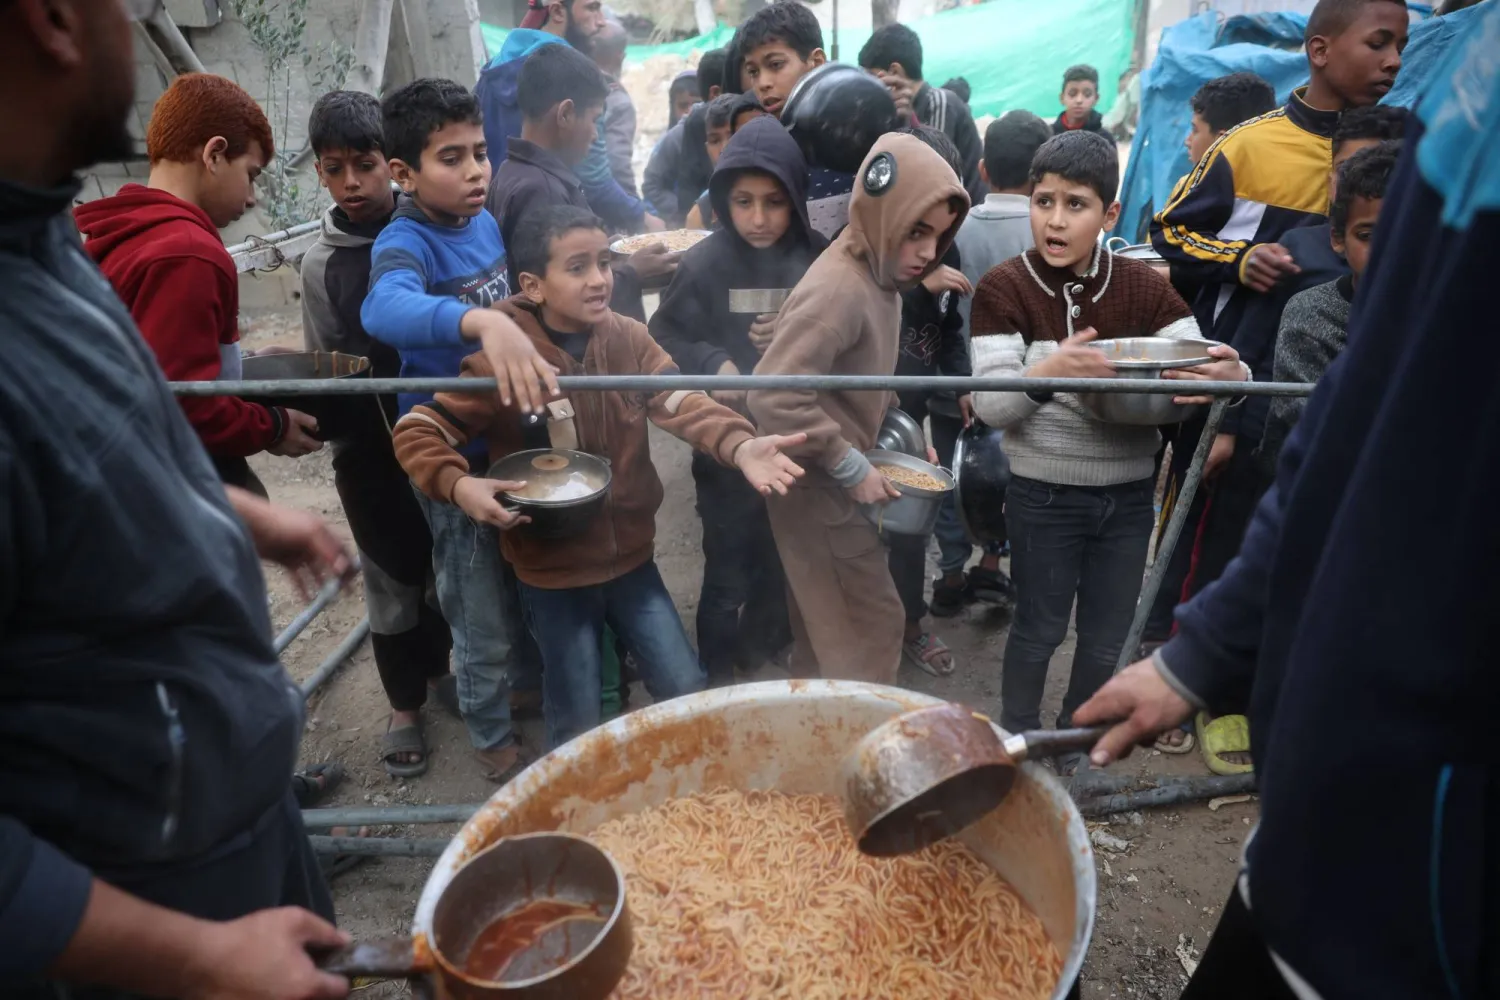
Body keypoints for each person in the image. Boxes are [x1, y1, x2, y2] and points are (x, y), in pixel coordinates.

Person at [1076, 9, 1500, 990]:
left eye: (1402, 40)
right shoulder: (1469, 103)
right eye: (1376, 39)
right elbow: (1358, 413)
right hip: (1317, 831)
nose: (1395, 61)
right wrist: (1201, 652)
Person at [0, 0, 358, 993]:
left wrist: (240, 514)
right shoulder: (165, 249)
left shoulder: (50, 238)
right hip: (157, 899)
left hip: (233, 820)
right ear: (55, 20)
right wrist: (199, 956)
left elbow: (112, 444)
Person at [394, 205, 806, 746]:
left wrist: (741, 443)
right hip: (552, 572)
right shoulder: (503, 360)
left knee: (683, 683)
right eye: (578, 267)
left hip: (632, 559)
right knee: (576, 711)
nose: (599, 280)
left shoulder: (629, 339)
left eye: (606, 263)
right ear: (533, 285)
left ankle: (693, 791)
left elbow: (679, 398)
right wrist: (459, 484)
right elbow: (416, 431)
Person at [968, 132, 1245, 758]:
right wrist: (1049, 371)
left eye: (1076, 204)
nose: (1055, 220)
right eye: (1044, 201)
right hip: (1042, 496)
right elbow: (992, 403)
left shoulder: (1142, 287)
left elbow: (1200, 360)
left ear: (1110, 215)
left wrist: (1236, 377)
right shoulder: (1003, 288)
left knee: (1104, 637)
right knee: (1037, 630)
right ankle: (1017, 737)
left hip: (1126, 499)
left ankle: (1074, 742)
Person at [1140, 102, 1411, 661]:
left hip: (1373, 471)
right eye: (1348, 168)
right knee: (1220, 551)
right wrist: (1229, 427)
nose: (1361, 181)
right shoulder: (1301, 253)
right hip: (1268, 445)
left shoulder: (1426, 278)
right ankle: (1181, 657)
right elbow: (1252, 345)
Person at [361, 78, 560, 783]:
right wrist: (480, 321)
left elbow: (504, 298)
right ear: (404, 174)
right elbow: (384, 309)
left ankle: (518, 691)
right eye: (452, 157)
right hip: (452, 460)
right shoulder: (404, 240)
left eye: (480, 152)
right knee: (475, 610)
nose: (476, 170)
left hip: (508, 442)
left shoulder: (482, 221)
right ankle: (493, 741)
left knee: (517, 587)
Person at [748, 132, 968, 684]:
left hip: (833, 480)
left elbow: (860, 376)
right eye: (915, 231)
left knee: (825, 625)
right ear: (880, 211)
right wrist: (849, 465)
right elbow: (772, 392)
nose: (926, 252)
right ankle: (859, 751)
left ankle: (816, 738)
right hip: (818, 488)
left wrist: (909, 436)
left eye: (939, 237)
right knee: (870, 627)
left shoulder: (879, 273)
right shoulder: (840, 290)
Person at [298, 90, 457, 778]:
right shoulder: (319, 266)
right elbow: (325, 367)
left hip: (445, 430)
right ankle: (404, 704)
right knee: (391, 576)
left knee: (448, 566)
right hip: (366, 450)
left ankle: (451, 669)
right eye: (335, 170)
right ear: (320, 173)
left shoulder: (431, 230)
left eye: (364, 165)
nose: (352, 184)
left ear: (392, 165)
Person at [73, 72, 322, 496]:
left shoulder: (130, 233)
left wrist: (247, 363)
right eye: (252, 174)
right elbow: (185, 402)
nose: (252, 198)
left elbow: (155, 357)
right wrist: (273, 426)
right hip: (173, 481)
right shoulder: (188, 253)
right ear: (215, 155)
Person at [650, 116, 827, 685]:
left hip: (801, 439)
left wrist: (796, 328)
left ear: (796, 198)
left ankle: (764, 646)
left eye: (774, 202)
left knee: (784, 558)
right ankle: (717, 670)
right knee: (728, 569)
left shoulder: (822, 260)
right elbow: (664, 333)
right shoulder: (704, 263)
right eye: (743, 201)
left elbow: (846, 328)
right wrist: (714, 363)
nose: (758, 218)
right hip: (728, 446)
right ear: (723, 199)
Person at [1151, 0, 1407, 341]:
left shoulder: (1404, 149)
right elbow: (1171, 232)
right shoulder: (1247, 145)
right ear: (1319, 51)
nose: (1394, 62)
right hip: (1244, 365)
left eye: (1401, 47)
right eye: (1378, 44)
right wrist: (1240, 258)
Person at [935, 110, 1055, 618]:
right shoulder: (1045, 235)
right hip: (1018, 389)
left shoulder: (953, 229)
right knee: (1008, 479)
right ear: (1041, 178)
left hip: (952, 385)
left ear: (982, 170)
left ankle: (950, 575)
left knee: (949, 479)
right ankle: (992, 564)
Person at [485, 43, 671, 320]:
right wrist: (632, 273)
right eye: (595, 120)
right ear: (565, 114)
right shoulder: (541, 191)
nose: (596, 136)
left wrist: (604, 250)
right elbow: (555, 300)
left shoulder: (517, 171)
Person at [879, 125, 971, 675]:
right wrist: (920, 287)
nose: (932, 242)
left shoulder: (947, 249)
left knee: (909, 526)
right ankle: (859, 633)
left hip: (911, 415)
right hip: (866, 412)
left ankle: (911, 626)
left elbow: (951, 327)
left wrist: (960, 384)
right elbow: (878, 305)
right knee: (859, 528)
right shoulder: (874, 246)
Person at [473, 0, 662, 236]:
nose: (601, 20)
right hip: (555, 224)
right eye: (592, 8)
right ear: (558, 12)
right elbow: (596, 181)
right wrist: (640, 217)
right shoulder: (574, 81)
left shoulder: (493, 69)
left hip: (494, 221)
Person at [1262, 140, 1399, 463]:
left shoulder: (1457, 316)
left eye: (1405, 232)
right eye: (1367, 236)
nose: (1387, 250)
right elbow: (1318, 428)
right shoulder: (1314, 315)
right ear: (1338, 238)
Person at [857, 23, 985, 204]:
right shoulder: (896, 111)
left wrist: (908, 123)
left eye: (870, 76)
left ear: (894, 72)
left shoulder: (940, 102)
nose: (866, 86)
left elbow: (932, 175)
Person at [641, 61, 717, 227]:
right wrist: (687, 209)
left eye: (696, 103)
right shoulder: (675, 138)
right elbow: (652, 186)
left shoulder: (721, 131)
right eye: (683, 105)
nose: (689, 111)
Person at [682, 92, 759, 230]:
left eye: (733, 136)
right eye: (715, 141)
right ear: (707, 148)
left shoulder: (781, 193)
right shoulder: (700, 216)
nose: (724, 148)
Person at [1184, 72, 1277, 169]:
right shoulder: (1287, 177)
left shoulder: (1193, 183)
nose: (1187, 141)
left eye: (1195, 130)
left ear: (1222, 141)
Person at [589, 18, 637, 197]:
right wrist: (637, 212)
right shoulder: (618, 102)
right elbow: (618, 165)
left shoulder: (571, 84)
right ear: (621, 56)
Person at [1053, 64, 1113, 140]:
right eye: (1072, 94)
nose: (1079, 100)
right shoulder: (1048, 136)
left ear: (1096, 99)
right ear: (1062, 98)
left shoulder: (1105, 139)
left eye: (1087, 95)